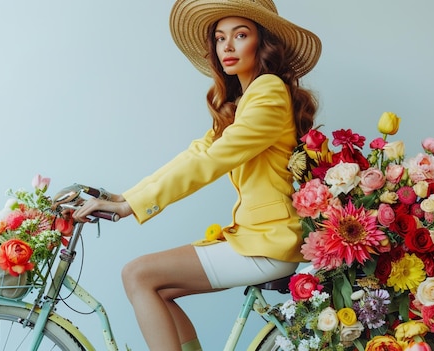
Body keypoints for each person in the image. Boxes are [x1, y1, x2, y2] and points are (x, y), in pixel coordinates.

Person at [72, 0, 321, 350]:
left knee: (137, 274)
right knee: (156, 288)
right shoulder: (243, 100)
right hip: (254, 236)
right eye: (220, 38)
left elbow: (212, 161)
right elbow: (196, 153)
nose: (228, 47)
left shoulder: (268, 93)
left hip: (269, 242)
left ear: (262, 43)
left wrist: (134, 207)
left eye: (241, 35)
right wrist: (127, 197)